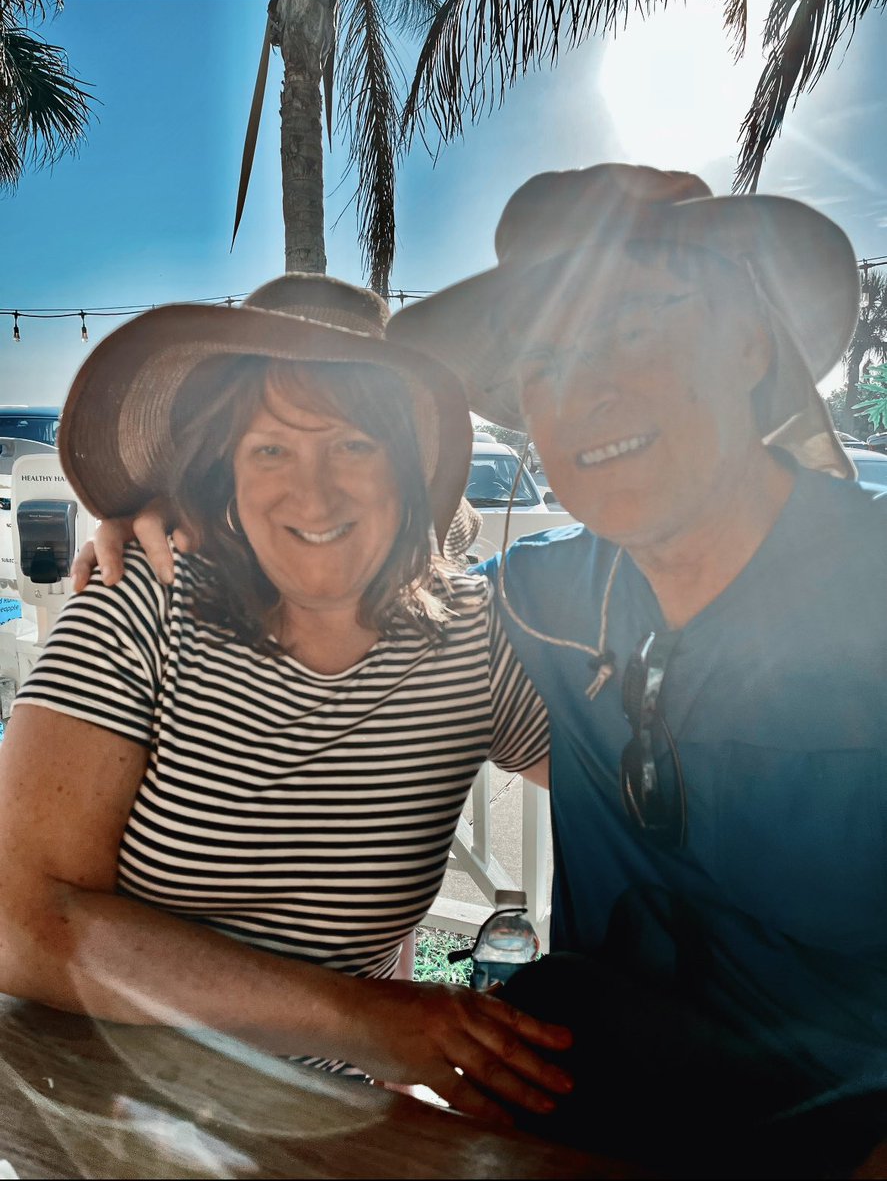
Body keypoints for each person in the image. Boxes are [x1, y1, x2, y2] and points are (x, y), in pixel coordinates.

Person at [382, 164, 887, 1176]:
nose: (586, 392)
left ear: (748, 345)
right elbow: (340, 576)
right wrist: (169, 509)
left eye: (635, 328)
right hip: (587, 1103)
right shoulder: (541, 599)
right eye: (546, 358)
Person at [0, 272, 574, 1126]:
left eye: (352, 445)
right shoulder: (143, 606)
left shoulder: (470, 637)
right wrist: (361, 1022)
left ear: (408, 466)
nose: (314, 493)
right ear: (223, 470)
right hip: (95, 1103)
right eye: (270, 448)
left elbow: (632, 796)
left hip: (331, 1122)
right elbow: (24, 924)